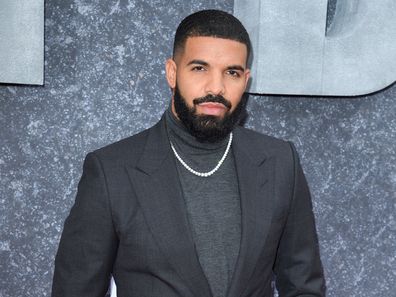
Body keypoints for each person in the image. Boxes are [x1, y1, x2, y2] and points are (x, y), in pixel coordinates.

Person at [52, 9, 326, 297]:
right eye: (199, 68)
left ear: (245, 81)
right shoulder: (111, 171)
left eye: (231, 73)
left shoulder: (280, 162)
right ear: (172, 72)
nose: (216, 87)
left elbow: (303, 285)